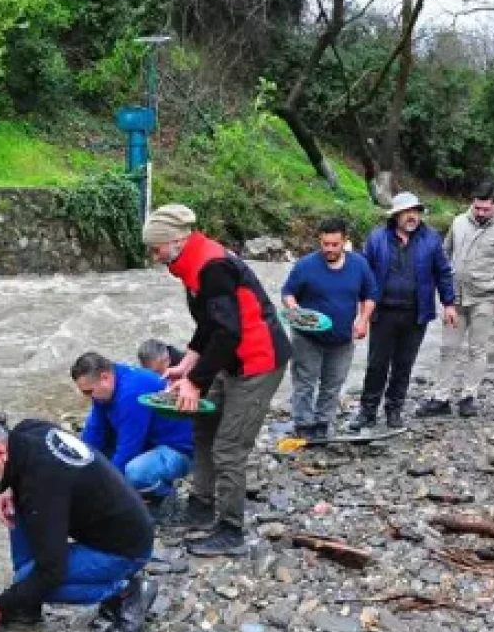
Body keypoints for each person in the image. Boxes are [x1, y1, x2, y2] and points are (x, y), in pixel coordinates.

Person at [141, 204, 290, 557]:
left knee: (229, 446)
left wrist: (194, 382)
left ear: (176, 240)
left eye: (156, 248)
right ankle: (201, 504)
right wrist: (188, 365)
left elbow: (228, 331)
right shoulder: (188, 263)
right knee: (203, 428)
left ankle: (230, 528)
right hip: (229, 357)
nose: (154, 255)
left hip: (258, 361)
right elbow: (208, 325)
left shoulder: (213, 266)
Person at [0, 414, 158, 632]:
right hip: (113, 518)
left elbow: (50, 571)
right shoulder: (27, 431)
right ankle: (26, 606)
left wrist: (1, 606)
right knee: (18, 514)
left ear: (0, 452)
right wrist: (9, 488)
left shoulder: (41, 485)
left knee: (27, 580)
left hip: (125, 548)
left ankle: (127, 591)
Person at [417, 182, 494, 418]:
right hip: (455, 297)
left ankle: (469, 397)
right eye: (476, 207)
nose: (480, 213)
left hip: (485, 298)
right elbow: (444, 254)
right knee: (448, 348)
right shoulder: (458, 222)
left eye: (485, 209)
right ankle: (441, 397)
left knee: (477, 349)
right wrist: (441, 288)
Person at [349, 192, 458, 431]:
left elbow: (443, 272)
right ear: (396, 215)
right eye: (407, 211)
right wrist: (361, 312)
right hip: (383, 312)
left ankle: (394, 410)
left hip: (416, 313)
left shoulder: (431, 239)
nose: (412, 216)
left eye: (416, 211)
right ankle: (367, 412)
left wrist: (449, 303)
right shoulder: (377, 238)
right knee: (376, 364)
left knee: (404, 364)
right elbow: (364, 275)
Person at [281, 217, 378, 439]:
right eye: (325, 244)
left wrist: (363, 320)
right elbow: (288, 292)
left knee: (333, 383)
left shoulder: (359, 265)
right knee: (304, 381)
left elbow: (370, 294)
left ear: (345, 241)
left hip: (342, 337)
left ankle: (324, 423)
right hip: (307, 336)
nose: (329, 249)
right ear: (320, 241)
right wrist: (294, 308)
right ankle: (303, 424)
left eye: (335, 244)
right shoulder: (306, 265)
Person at [71, 352, 194, 506]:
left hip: (179, 450)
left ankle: (168, 501)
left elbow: (128, 450)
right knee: (95, 460)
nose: (89, 397)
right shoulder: (107, 385)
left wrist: (100, 490)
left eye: (88, 392)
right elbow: (94, 431)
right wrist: (78, 468)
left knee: (135, 473)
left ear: (105, 377)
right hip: (149, 441)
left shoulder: (130, 394)